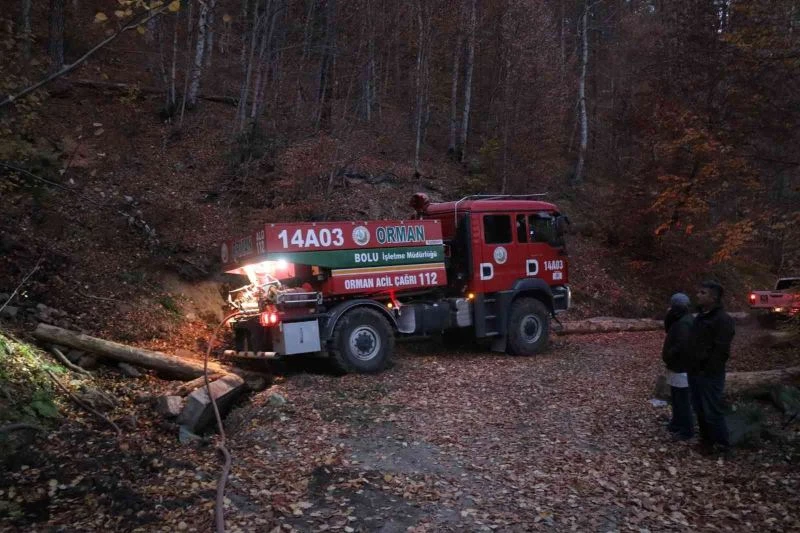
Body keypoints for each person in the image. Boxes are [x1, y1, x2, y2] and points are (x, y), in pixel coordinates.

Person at [687, 280, 736, 456]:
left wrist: (706, 369)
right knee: (699, 408)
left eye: (703, 293)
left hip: (710, 373)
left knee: (712, 409)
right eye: (699, 292)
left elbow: (721, 350)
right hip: (694, 371)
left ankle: (723, 445)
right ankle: (706, 441)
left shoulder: (723, 320)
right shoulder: (700, 317)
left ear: (714, 297)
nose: (698, 295)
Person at [662, 293, 694, 440]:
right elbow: (667, 328)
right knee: (676, 396)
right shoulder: (679, 318)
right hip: (676, 365)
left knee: (682, 399)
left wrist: (669, 354)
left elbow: (682, 344)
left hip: (682, 366)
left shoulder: (685, 322)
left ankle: (686, 429)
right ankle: (676, 423)